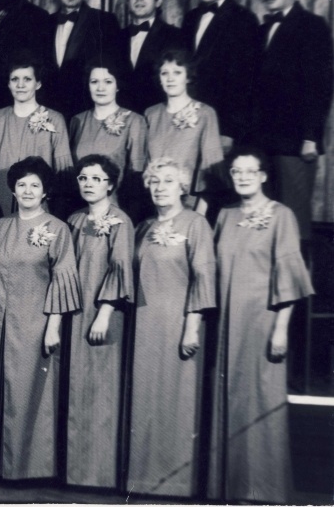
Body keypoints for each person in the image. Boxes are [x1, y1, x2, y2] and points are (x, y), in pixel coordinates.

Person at [208, 147, 314, 503]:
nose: (242, 177)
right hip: (226, 324)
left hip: (262, 323)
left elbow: (289, 276)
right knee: (229, 398)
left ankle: (264, 490)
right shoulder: (225, 215)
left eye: (249, 171)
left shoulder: (282, 216)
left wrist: (281, 328)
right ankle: (229, 486)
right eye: (236, 171)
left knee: (259, 400)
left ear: (264, 176)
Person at [0, 157, 82, 480]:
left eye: (34, 185)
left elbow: (62, 280)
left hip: (34, 323)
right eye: (21, 184)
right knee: (0, 390)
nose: (27, 190)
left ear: (45, 191)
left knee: (28, 393)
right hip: (0, 324)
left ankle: (26, 469)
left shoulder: (57, 229)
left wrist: (53, 326)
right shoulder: (2, 226)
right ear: (12, 189)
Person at [128, 157, 216, 497]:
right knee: (146, 401)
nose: (160, 187)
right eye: (155, 181)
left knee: (176, 401)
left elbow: (203, 275)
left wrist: (192, 326)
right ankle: (143, 481)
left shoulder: (196, 224)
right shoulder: (143, 227)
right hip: (144, 328)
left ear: (182, 187)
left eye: (168, 181)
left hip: (178, 324)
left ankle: (177, 484)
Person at [251, 0, 334, 243]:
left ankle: (301, 274)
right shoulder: (262, 30)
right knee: (265, 218)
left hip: (295, 142)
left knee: (294, 221)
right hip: (262, 141)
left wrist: (311, 137)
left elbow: (319, 86)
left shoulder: (312, 25)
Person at [65, 154, 134, 489]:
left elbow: (120, 268)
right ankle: (73, 472)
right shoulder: (74, 220)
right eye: (83, 178)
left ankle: (97, 475)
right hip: (74, 315)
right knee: (76, 390)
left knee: (100, 390)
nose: (89, 184)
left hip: (101, 316)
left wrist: (104, 313)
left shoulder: (120, 222)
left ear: (110, 184)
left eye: (96, 178)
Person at [0, 54, 72, 218]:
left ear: (38, 83)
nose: (20, 85)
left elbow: (63, 180)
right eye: (15, 79)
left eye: (27, 79)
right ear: (8, 83)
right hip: (1, 207)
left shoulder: (55, 120)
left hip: (41, 212)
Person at [180, 0, 259, 150]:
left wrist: (229, 131)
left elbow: (243, 81)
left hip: (221, 124)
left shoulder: (244, 19)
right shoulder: (190, 18)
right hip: (188, 120)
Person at [144, 50, 223, 216]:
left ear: (188, 77)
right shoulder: (150, 114)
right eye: (164, 73)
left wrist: (197, 216)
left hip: (189, 207)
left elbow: (210, 173)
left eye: (177, 72)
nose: (170, 79)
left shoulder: (205, 114)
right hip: (154, 205)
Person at [42, 0, 120, 120]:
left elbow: (113, 72)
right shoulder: (44, 23)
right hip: (50, 114)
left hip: (88, 114)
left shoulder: (105, 21)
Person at [68, 61, 147, 216]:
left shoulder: (134, 121)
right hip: (80, 209)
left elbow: (136, 177)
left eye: (108, 82)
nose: (100, 88)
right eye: (94, 82)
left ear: (117, 86)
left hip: (117, 209)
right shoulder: (77, 121)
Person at [117, 0, 183, 114]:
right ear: (127, 1)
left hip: (159, 119)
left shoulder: (175, 36)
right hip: (121, 121)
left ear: (158, 1)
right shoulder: (116, 37)